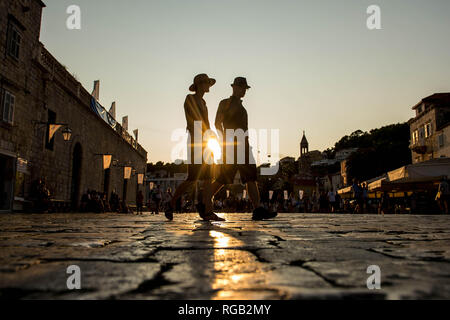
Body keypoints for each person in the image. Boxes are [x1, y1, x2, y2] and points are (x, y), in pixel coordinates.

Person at [208, 77, 277, 221]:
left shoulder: (242, 107)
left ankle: (257, 209)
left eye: (245, 88)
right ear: (235, 87)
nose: (244, 91)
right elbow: (217, 123)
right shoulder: (225, 103)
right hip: (233, 146)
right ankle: (204, 200)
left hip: (243, 146)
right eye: (242, 88)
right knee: (224, 178)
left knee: (250, 177)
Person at [165, 74, 224, 221]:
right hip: (196, 141)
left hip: (205, 141)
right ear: (200, 84)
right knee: (192, 178)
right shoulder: (190, 99)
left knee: (208, 177)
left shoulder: (204, 102)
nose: (209, 87)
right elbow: (193, 119)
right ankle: (171, 203)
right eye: (207, 84)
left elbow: (207, 122)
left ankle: (207, 210)